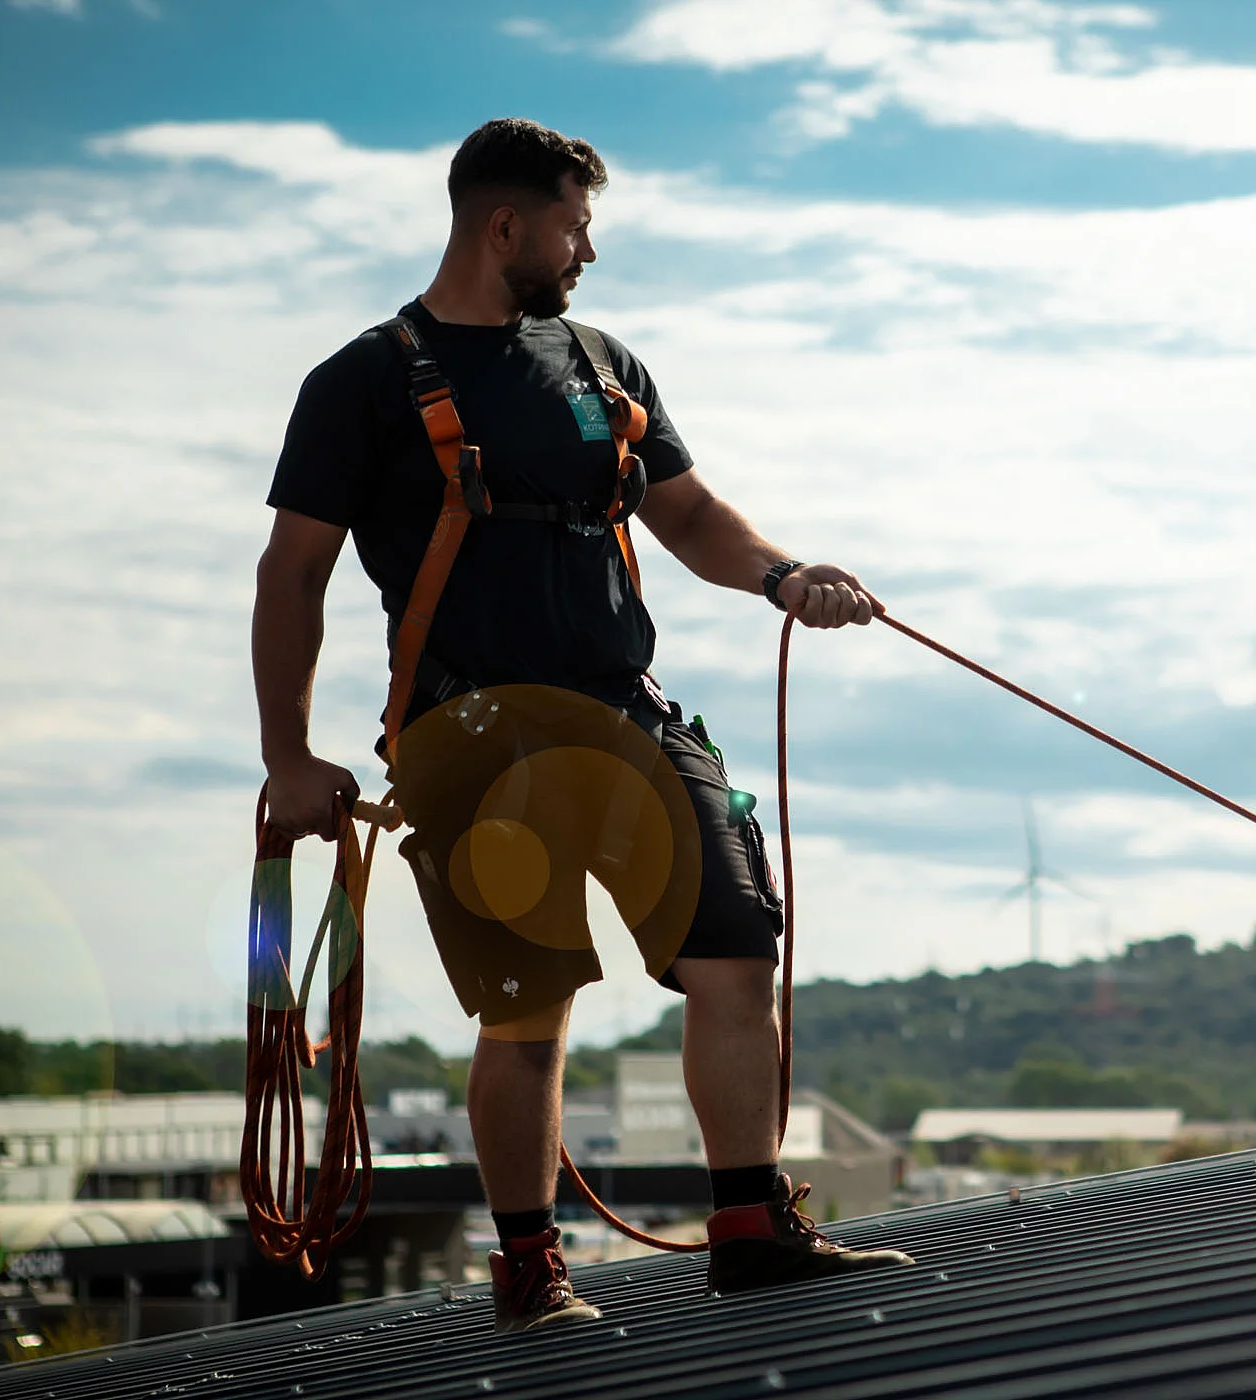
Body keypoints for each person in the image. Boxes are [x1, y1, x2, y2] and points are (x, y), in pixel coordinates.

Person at [251, 117, 913, 1333]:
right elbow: (291, 575)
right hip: (476, 730)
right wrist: (288, 756)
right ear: (505, 225)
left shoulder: (602, 363)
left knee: (734, 956)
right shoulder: (363, 382)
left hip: (625, 712)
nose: (587, 249)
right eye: (574, 223)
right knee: (528, 1007)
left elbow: (693, 514)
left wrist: (784, 575)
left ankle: (751, 1228)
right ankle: (526, 1267)